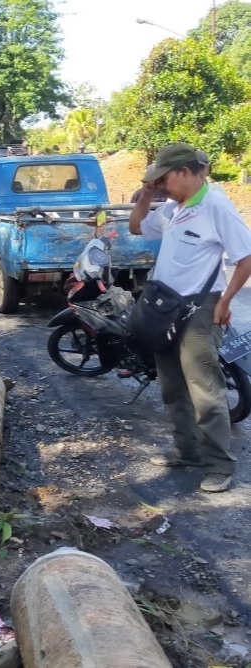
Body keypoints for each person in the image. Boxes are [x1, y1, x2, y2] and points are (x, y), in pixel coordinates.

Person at [129, 142, 251, 493]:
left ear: (185, 172)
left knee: (206, 391)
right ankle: (186, 450)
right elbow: (137, 227)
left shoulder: (216, 205)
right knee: (171, 385)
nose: (162, 184)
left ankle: (219, 465)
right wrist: (146, 195)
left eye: (164, 178)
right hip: (165, 309)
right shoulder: (173, 207)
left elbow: (245, 258)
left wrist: (225, 302)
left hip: (201, 308)